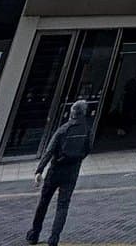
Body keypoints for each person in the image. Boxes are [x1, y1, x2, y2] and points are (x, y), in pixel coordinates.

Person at [28, 100, 91, 246]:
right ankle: (54, 238)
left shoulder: (63, 129)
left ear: (72, 113)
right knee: (63, 205)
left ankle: (34, 234)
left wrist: (39, 170)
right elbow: (88, 149)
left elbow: (49, 151)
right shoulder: (86, 129)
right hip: (72, 171)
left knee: (43, 203)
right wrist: (78, 160)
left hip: (56, 169)